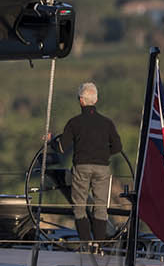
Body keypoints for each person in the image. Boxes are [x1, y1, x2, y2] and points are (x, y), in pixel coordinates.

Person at [44, 81, 122, 246]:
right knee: (100, 207)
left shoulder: (74, 123)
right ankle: (100, 245)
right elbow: (117, 147)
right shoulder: (107, 123)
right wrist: (102, 154)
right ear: (96, 100)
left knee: (79, 207)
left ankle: (86, 244)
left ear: (81, 101)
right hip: (102, 168)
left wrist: (51, 141)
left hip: (81, 167)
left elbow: (61, 147)